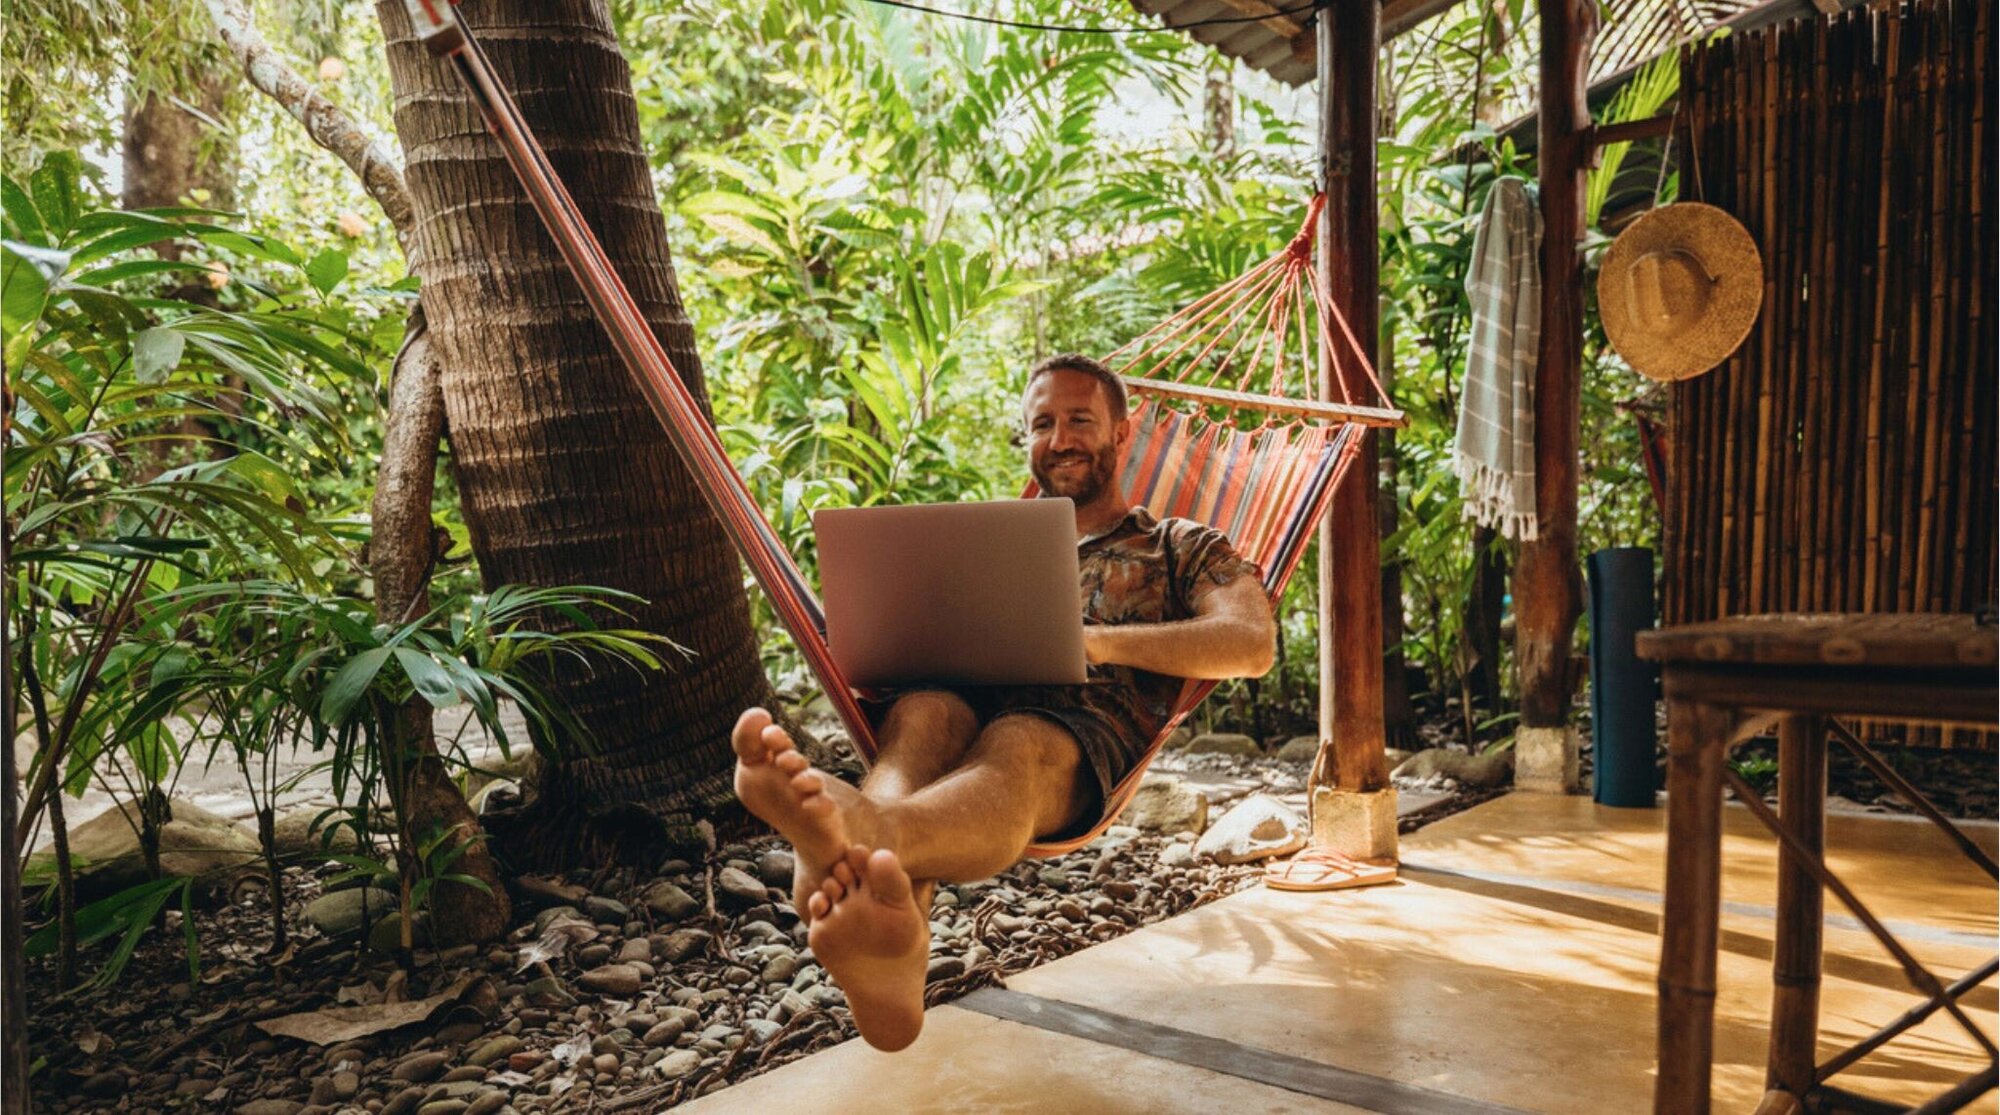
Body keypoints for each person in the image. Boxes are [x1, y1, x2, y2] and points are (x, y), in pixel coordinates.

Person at [732, 353, 1277, 1051]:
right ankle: (890, 932)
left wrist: (1104, 644)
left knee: (1020, 741)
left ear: (1122, 432)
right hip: (966, 701)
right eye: (1042, 423)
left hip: (1078, 731)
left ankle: (865, 835)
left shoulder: (1178, 544)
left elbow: (1248, 642)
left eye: (1080, 419)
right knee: (925, 711)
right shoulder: (990, 541)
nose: (1061, 438)